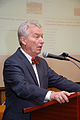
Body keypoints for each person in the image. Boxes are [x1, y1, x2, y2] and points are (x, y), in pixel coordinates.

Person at [2, 21, 80, 120]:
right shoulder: (12, 62)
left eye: (42, 37)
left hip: (40, 115)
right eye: (37, 36)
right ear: (23, 40)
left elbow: (58, 80)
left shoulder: (42, 62)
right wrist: (51, 95)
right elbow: (22, 87)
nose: (42, 41)